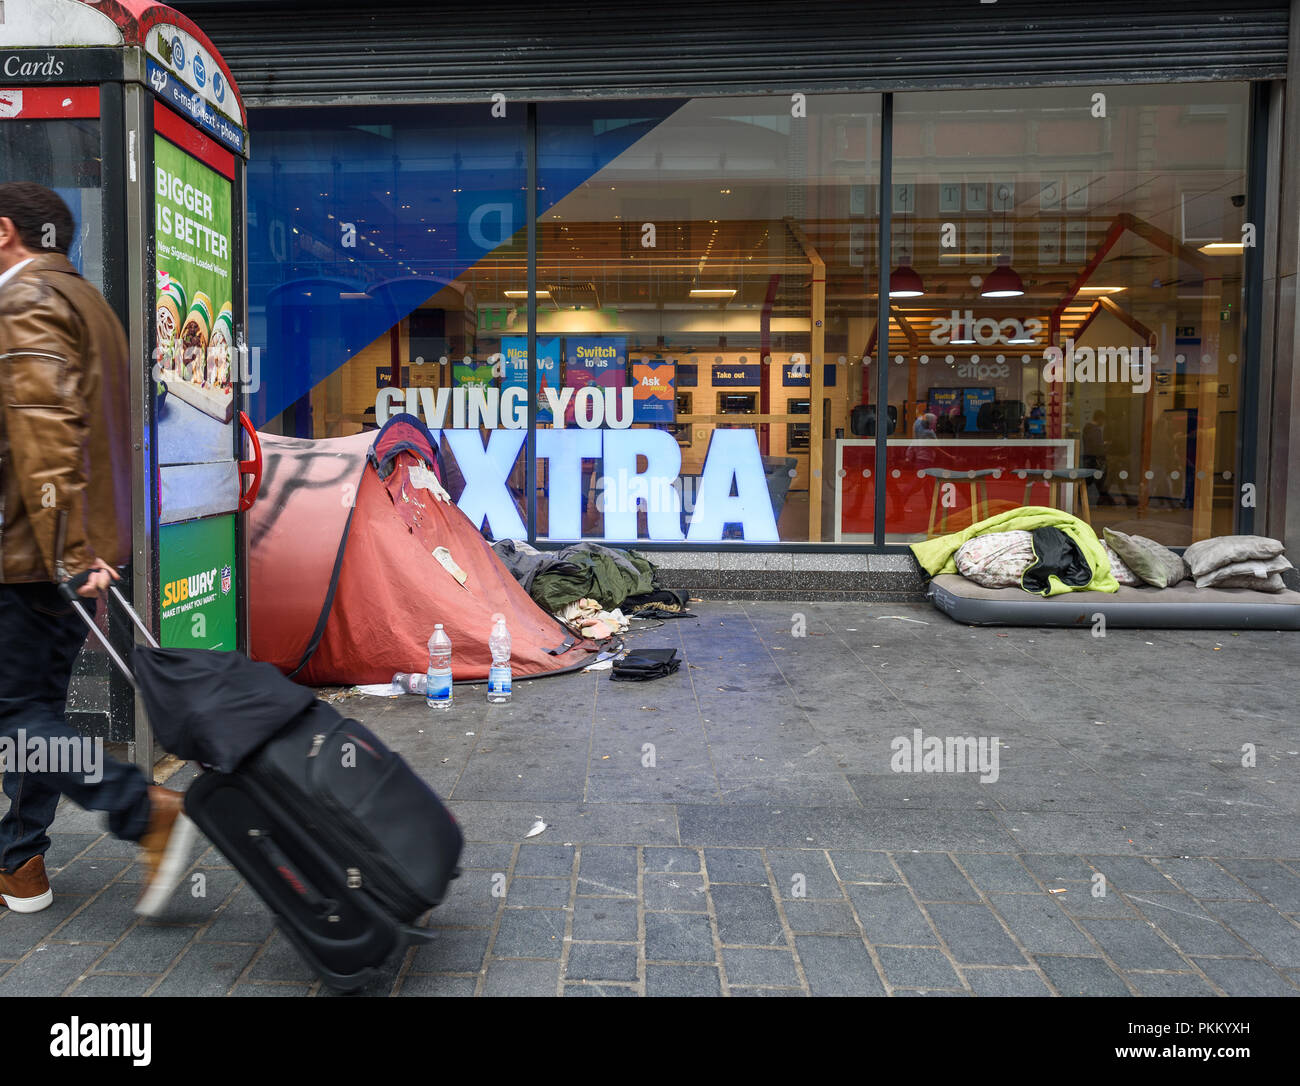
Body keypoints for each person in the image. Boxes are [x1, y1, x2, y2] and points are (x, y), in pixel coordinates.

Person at [0, 183, 193, 916]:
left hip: (32, 549)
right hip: (65, 545)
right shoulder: (89, 302)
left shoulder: (25, 302)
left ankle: (140, 809)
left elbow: (45, 437)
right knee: (35, 707)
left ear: (5, 231)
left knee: (17, 715)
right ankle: (20, 864)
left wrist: (70, 551)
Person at [1081, 409, 1114, 505]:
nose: (1103, 423)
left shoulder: (1087, 428)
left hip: (1088, 457)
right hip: (1095, 459)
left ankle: (1105, 500)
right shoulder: (1095, 430)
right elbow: (1097, 446)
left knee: (1090, 481)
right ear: (1100, 419)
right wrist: (1105, 446)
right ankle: (1106, 500)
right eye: (1103, 420)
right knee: (1098, 481)